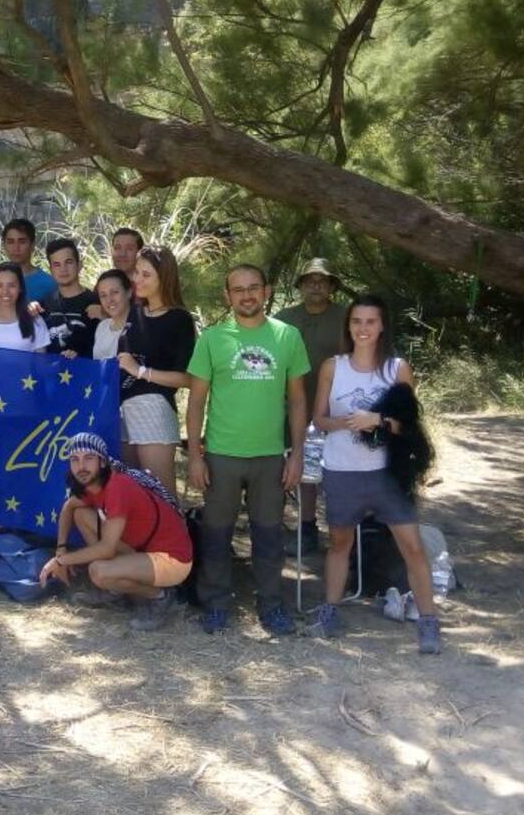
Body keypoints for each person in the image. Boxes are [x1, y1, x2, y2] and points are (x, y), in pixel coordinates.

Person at [310, 294, 442, 654]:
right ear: (348, 326)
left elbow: (410, 427)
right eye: (356, 322)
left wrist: (378, 420)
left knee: (412, 547)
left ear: (382, 325)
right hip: (342, 470)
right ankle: (330, 611)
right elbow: (319, 419)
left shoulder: (397, 368)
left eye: (370, 321)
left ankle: (429, 621)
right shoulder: (332, 367)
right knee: (339, 543)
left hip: (387, 473)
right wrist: (349, 422)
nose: (363, 329)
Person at [186, 264, 309, 636]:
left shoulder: (287, 337)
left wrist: (298, 453)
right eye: (238, 289)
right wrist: (194, 455)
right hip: (222, 455)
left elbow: (299, 402)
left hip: (270, 455)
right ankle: (216, 605)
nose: (246, 295)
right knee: (217, 534)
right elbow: (195, 403)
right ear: (228, 296)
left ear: (267, 291)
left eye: (253, 287)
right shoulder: (212, 338)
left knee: (269, 536)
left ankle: (271, 605)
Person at [39, 433, 192, 631]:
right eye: (75, 460)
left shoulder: (117, 486)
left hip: (172, 559)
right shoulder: (94, 484)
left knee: (98, 572)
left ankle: (161, 596)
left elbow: (107, 549)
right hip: (140, 549)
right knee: (81, 514)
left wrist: (60, 561)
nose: (81, 466)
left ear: (102, 461)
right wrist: (60, 549)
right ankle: (114, 590)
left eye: (89, 458)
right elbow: (69, 508)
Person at [275, 258, 348, 554]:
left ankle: (340, 532)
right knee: (286, 466)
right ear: (301, 285)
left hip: (332, 410)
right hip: (284, 407)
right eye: (309, 280)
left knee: (331, 472)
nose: (316, 285)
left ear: (332, 286)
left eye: (322, 280)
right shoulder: (283, 319)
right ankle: (289, 528)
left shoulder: (346, 318)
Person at [117, 246, 196, 498]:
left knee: (161, 496)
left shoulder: (179, 319)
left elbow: (187, 378)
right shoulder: (135, 311)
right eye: (136, 272)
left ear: (165, 276)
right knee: (131, 495)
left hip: (154, 409)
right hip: (122, 410)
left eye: (146, 274)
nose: (137, 279)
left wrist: (140, 371)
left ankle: (176, 539)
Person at [42, 237, 98, 357]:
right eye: (57, 265)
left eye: (68, 262)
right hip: (51, 373)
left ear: (79, 265)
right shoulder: (43, 304)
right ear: (50, 270)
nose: (63, 269)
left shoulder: (96, 302)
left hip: (86, 373)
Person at [0, 218, 55, 304]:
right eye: (10, 242)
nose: (16, 248)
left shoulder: (49, 284)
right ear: (4, 246)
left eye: (22, 242)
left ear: (32, 245)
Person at [91, 269, 132, 361]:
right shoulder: (102, 326)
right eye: (103, 295)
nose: (109, 300)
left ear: (129, 292)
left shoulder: (139, 327)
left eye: (114, 292)